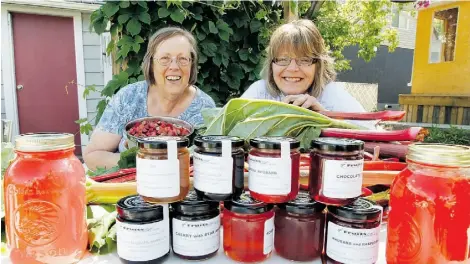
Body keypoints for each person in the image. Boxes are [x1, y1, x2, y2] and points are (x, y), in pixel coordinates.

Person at [83, 27, 216, 170]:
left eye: (183, 59)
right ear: (151, 64)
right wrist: (146, 160)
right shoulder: (129, 97)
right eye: (164, 59)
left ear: (192, 64)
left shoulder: (205, 108)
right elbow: (93, 155)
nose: (174, 66)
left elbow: (208, 164)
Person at [242, 19, 367, 113]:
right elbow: (224, 127)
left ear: (318, 65)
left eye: (304, 60)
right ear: (271, 65)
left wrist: (325, 119)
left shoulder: (332, 96)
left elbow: (371, 133)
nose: (292, 68)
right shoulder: (259, 92)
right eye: (283, 59)